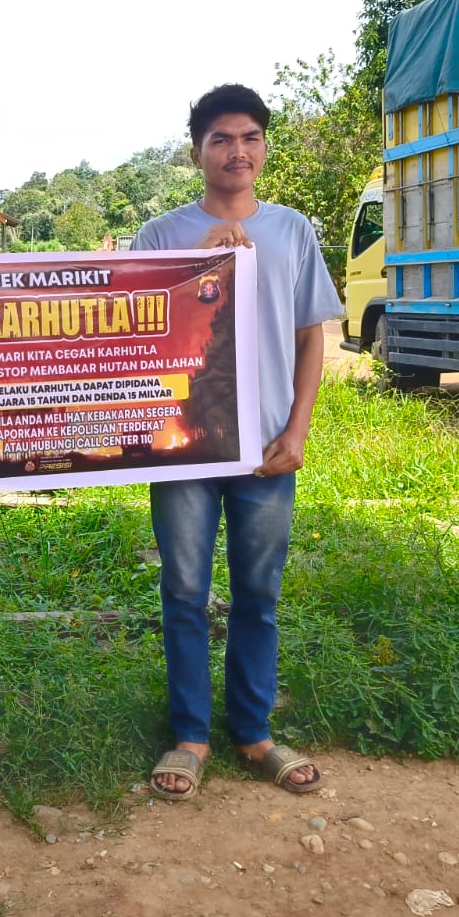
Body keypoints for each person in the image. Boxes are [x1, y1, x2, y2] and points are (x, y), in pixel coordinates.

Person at [132, 82, 342, 801]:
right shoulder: (161, 235)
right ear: (196, 151)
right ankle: (191, 735)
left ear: (264, 147)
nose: (237, 150)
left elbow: (310, 335)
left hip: (267, 447)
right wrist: (197, 264)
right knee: (185, 589)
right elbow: (137, 335)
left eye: (250, 137)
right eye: (220, 138)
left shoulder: (292, 230)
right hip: (184, 445)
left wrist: (298, 428)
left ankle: (254, 732)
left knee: (259, 591)